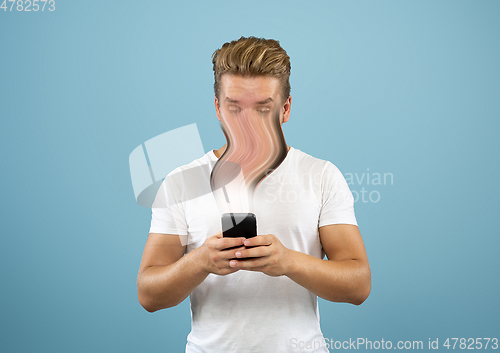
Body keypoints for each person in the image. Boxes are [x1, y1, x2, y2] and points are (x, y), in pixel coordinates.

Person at [137, 36, 371, 353]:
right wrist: (201, 261)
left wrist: (289, 261)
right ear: (218, 108)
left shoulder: (321, 176)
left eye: (263, 109)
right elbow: (149, 294)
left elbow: (358, 284)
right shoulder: (182, 182)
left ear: (285, 109)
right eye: (235, 108)